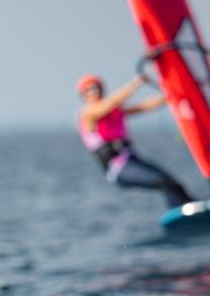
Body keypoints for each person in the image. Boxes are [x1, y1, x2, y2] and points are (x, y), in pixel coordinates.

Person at [76, 72, 192, 208]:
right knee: (163, 182)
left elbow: (142, 106)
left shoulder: (114, 110)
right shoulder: (87, 114)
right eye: (88, 90)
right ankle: (184, 211)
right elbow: (112, 102)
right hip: (118, 169)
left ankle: (189, 208)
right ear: (83, 96)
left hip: (132, 159)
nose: (94, 92)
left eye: (96, 87)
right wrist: (138, 82)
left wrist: (170, 97)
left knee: (174, 184)